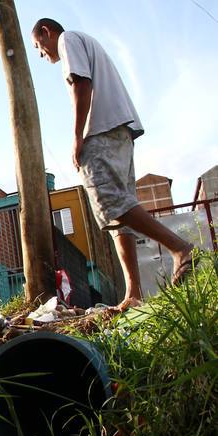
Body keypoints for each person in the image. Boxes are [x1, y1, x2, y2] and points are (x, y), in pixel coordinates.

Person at [31, 18, 194, 310]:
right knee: (122, 213)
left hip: (101, 130)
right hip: (121, 131)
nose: (42, 55)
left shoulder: (68, 40)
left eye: (38, 47)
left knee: (110, 202)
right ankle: (133, 293)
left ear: (46, 32)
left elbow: (82, 83)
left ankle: (180, 248)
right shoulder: (86, 42)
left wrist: (78, 137)